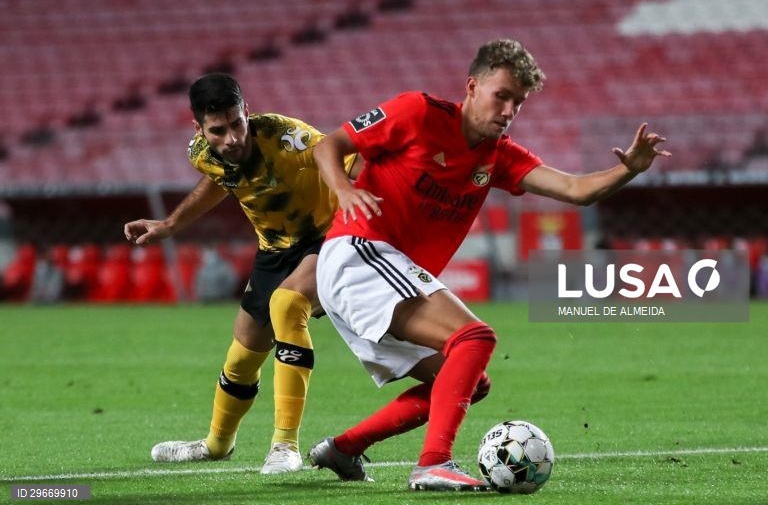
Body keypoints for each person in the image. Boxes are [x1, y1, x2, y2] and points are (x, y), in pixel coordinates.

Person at [307, 39, 670, 491]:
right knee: (474, 336)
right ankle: (433, 464)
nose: (509, 110)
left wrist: (629, 169)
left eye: (518, 102)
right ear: (472, 87)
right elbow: (331, 144)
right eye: (502, 96)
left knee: (470, 381)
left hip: (383, 271)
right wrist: (343, 189)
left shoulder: (498, 155)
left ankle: (344, 448)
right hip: (360, 251)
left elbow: (577, 190)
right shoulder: (417, 112)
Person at [123, 73, 360, 474]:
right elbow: (221, 181)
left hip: (327, 237)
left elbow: (342, 156)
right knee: (243, 350)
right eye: (218, 130)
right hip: (274, 248)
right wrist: (171, 225)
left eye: (237, 123)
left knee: (287, 307)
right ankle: (217, 444)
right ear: (198, 128)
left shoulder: (287, 138)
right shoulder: (202, 153)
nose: (231, 138)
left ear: (247, 112)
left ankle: (285, 445)